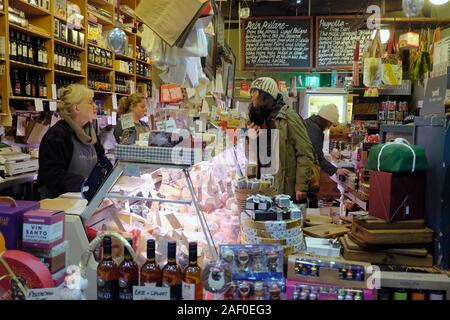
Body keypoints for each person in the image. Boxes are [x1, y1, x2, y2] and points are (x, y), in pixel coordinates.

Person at [247, 77, 316, 203]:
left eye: (254, 91)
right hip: (264, 187)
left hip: (285, 189)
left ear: (265, 95)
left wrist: (301, 186)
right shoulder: (258, 118)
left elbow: (305, 153)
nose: (250, 95)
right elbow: (254, 156)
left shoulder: (289, 117)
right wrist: (251, 139)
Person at [38, 84, 106, 199]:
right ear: (76, 108)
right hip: (60, 204)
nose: (95, 106)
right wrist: (85, 183)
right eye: (90, 102)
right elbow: (53, 175)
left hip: (85, 198)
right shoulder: (57, 135)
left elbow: (101, 162)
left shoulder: (91, 133)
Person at [305, 103, 351, 206]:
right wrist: (335, 170)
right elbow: (317, 156)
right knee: (309, 202)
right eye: (330, 123)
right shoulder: (314, 130)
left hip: (305, 175)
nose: (329, 126)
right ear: (325, 120)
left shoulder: (310, 124)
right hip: (306, 176)